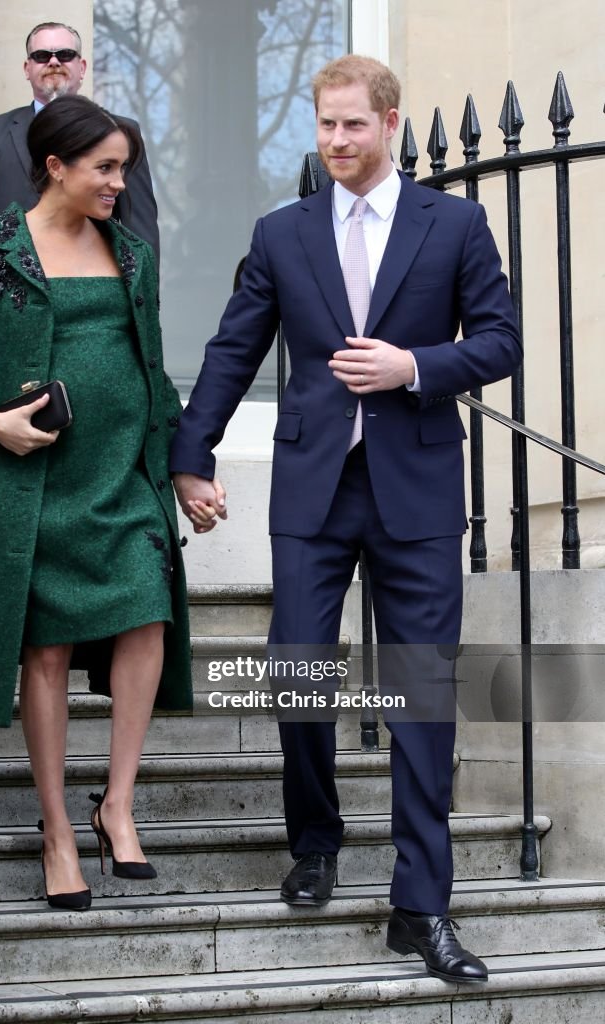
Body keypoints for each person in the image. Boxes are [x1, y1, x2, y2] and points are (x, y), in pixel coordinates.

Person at [170, 55, 522, 983]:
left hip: (414, 485)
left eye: (351, 126)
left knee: (421, 696)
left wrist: (413, 367)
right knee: (297, 669)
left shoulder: (454, 223)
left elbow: (500, 340)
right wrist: (189, 453)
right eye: (324, 126)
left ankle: (422, 905)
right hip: (312, 487)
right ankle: (315, 839)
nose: (334, 141)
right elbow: (231, 347)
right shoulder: (281, 233)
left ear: (390, 123)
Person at [0, 94, 191, 911]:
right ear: (56, 167)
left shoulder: (133, 254)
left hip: (123, 476)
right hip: (29, 488)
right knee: (44, 654)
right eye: (105, 168)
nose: (119, 183)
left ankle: (116, 803)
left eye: (123, 169)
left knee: (146, 617)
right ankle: (56, 830)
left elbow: (151, 369)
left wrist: (187, 467)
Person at [0, 21, 160, 264]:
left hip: (92, 285)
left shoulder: (121, 132)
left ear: (82, 68)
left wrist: (143, 296)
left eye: (65, 54)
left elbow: (141, 230)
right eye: (41, 56)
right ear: (27, 69)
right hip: (9, 290)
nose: (53, 61)